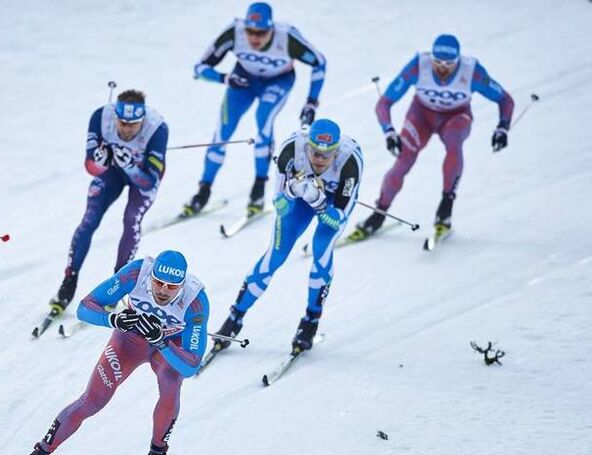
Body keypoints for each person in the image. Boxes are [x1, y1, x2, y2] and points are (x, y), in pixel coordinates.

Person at [8, 250, 209, 455]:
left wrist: (163, 342)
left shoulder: (196, 300)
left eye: (171, 286)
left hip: (165, 349)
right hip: (130, 341)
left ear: (182, 284)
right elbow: (85, 307)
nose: (163, 291)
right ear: (151, 276)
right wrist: (114, 319)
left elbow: (191, 366)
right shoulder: (137, 272)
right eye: (158, 283)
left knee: (171, 384)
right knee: (92, 401)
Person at [212, 119, 362, 356]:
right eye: (315, 152)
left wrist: (320, 201)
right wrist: (293, 189)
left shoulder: (350, 163)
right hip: (299, 200)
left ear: (336, 151)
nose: (320, 160)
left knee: (321, 251)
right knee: (275, 256)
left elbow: (337, 220)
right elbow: (280, 206)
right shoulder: (291, 150)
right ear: (308, 146)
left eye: (327, 155)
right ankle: (235, 317)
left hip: (331, 204)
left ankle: (311, 321)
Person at [346, 33, 514, 243]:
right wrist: (389, 132)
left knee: (454, 145)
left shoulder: (472, 72)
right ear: (431, 58)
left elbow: (505, 100)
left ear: (458, 61)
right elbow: (384, 103)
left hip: (456, 117)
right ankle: (378, 214)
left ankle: (445, 208)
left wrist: (503, 128)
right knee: (403, 161)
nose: (442, 68)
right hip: (422, 116)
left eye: (449, 64)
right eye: (438, 62)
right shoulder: (419, 65)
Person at [182, 1, 326, 219]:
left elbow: (319, 62)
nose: (255, 38)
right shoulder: (234, 32)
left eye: (261, 32)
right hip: (244, 80)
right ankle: (203, 190)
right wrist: (225, 78)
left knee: (263, 121)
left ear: (272, 28)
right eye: (250, 31)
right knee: (223, 132)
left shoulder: (286, 37)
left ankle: (258, 188)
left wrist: (311, 102)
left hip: (278, 82)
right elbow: (199, 68)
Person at [48, 89, 169, 313]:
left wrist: (131, 168)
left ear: (143, 120)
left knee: (131, 219)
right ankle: (69, 281)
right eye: (122, 122)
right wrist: (101, 163)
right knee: (89, 221)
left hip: (141, 177)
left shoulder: (157, 129)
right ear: (115, 116)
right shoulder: (100, 117)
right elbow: (90, 167)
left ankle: (118, 284)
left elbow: (150, 183)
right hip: (111, 173)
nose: (126, 129)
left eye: (133, 124)